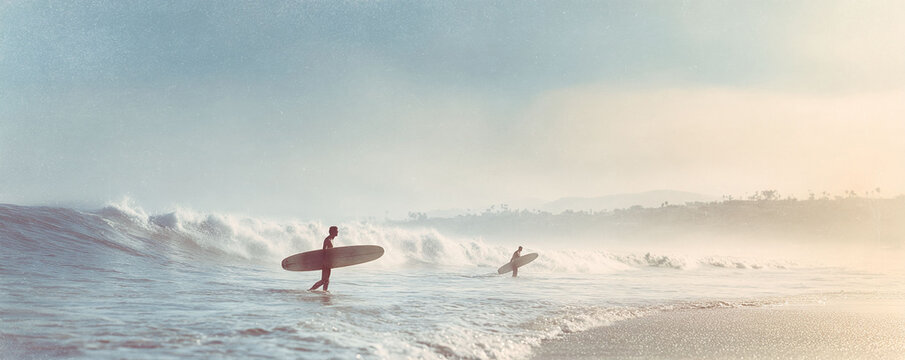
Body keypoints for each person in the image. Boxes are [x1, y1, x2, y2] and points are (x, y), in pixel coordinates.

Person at [308, 226, 338, 291]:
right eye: (336, 230)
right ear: (333, 231)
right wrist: (324, 263)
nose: (337, 232)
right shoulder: (327, 240)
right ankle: (310, 290)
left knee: (326, 280)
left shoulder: (332, 239)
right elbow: (324, 251)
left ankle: (324, 292)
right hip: (326, 262)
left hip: (329, 262)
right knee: (324, 280)